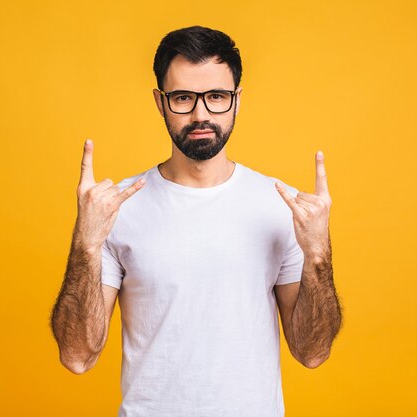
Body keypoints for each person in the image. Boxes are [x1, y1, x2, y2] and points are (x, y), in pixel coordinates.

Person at [50, 25, 343, 417]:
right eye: (183, 97)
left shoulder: (281, 207)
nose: (201, 114)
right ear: (160, 101)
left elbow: (312, 352)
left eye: (217, 97)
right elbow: (77, 356)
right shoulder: (116, 207)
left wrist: (318, 255)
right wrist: (85, 244)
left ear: (237, 100)